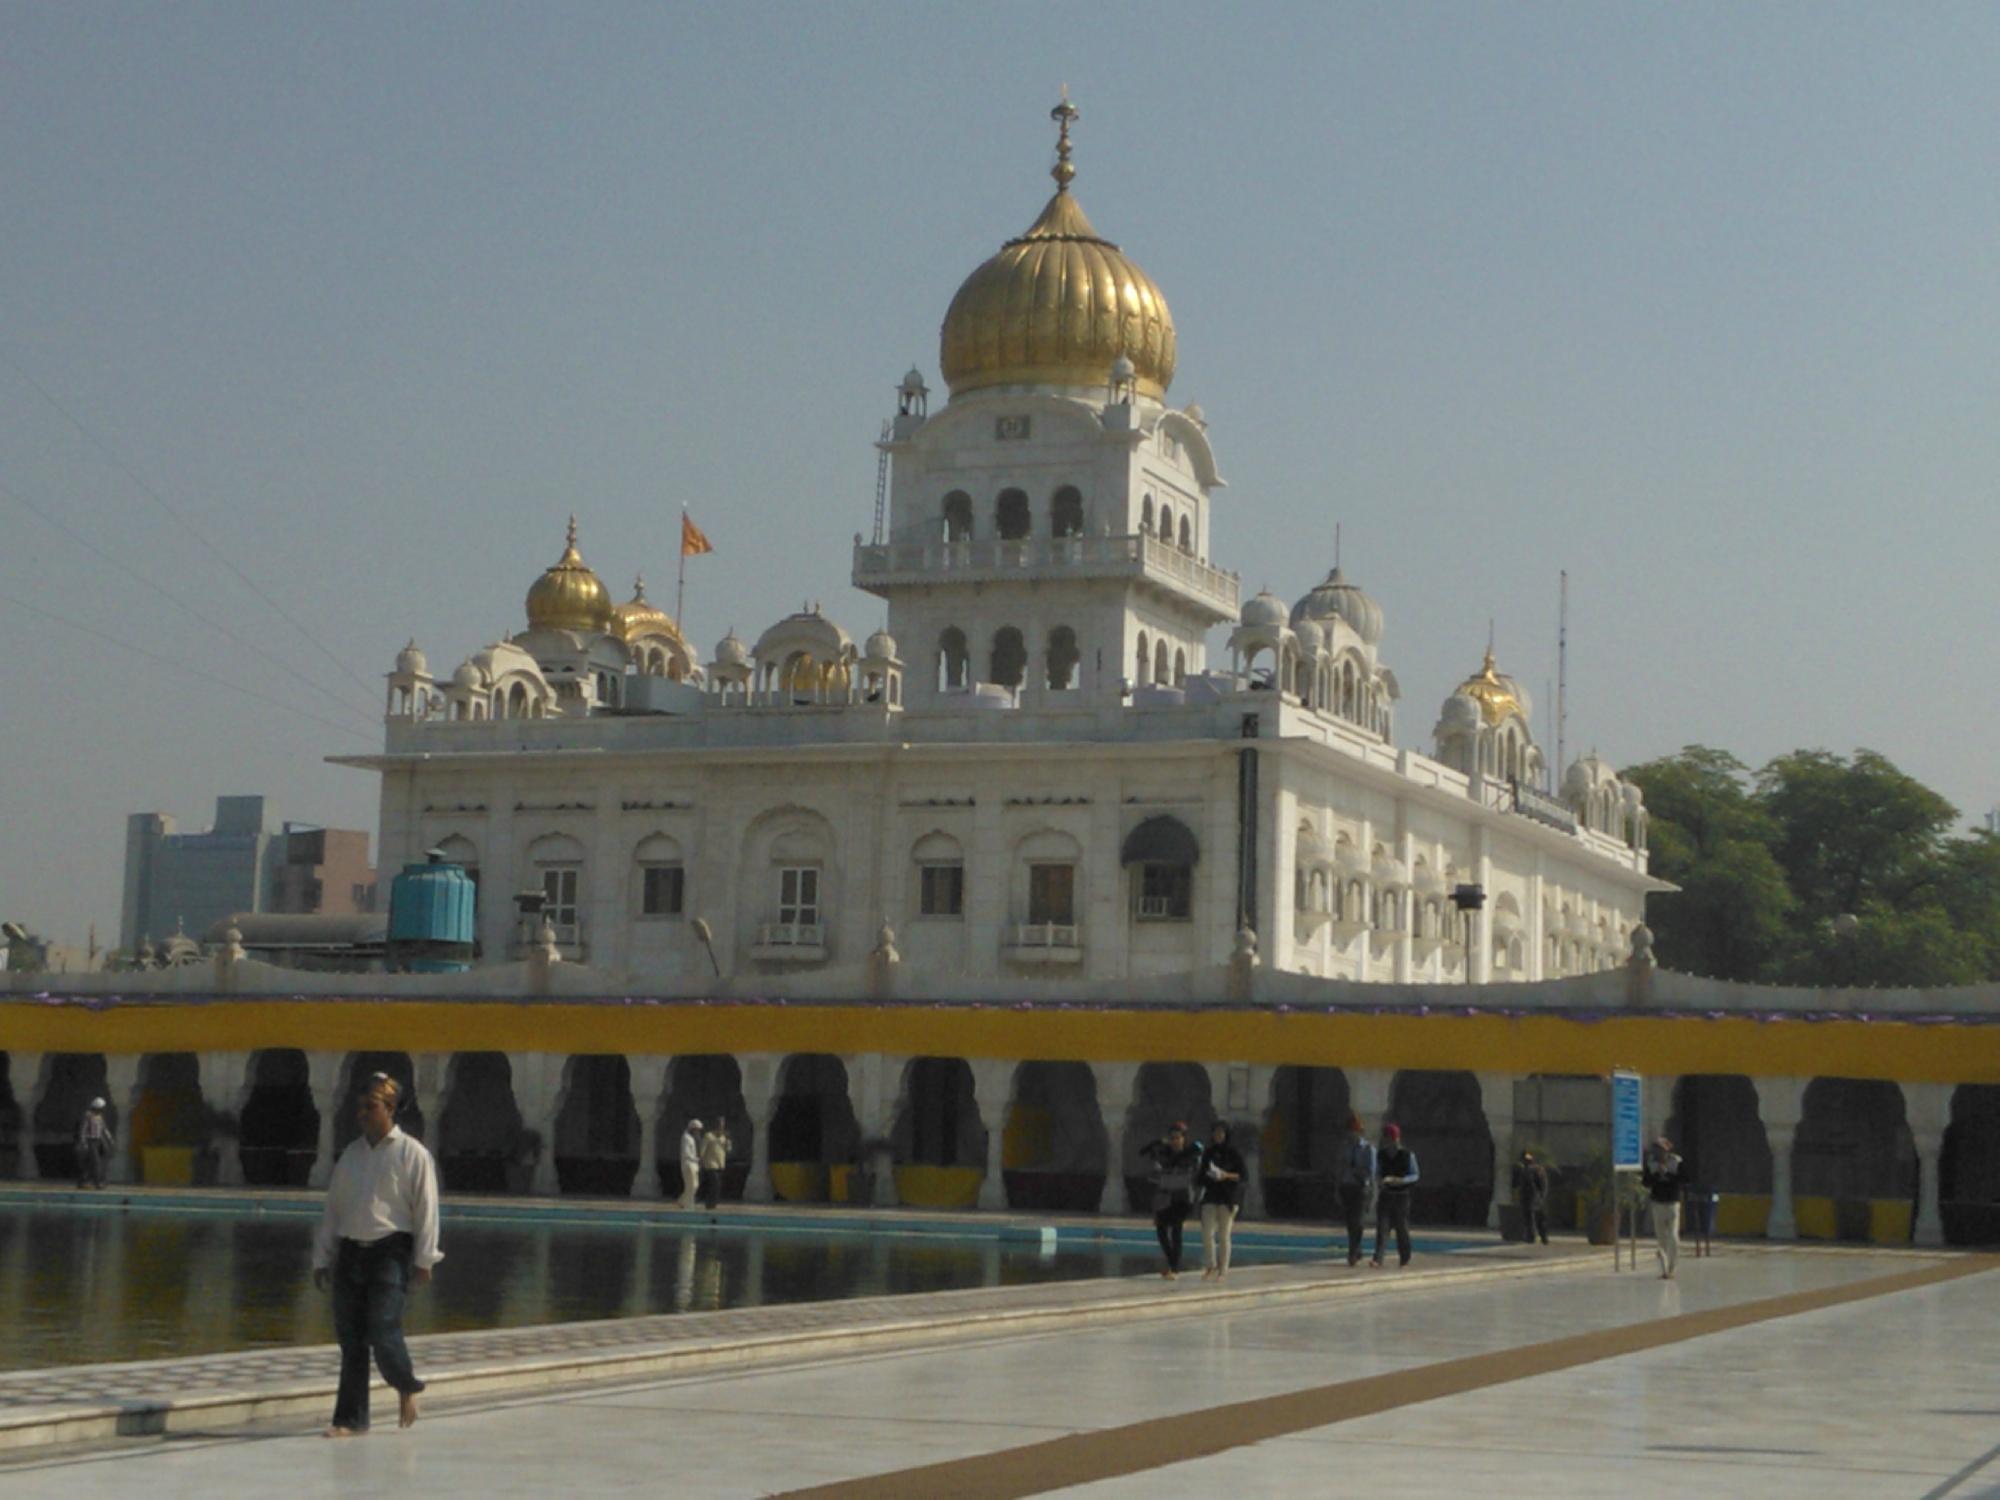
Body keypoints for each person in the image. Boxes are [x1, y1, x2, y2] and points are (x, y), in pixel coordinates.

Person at [312, 1073, 441, 1437]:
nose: (362, 1114)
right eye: (360, 1107)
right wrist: (322, 1258)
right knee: (351, 1340)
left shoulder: (411, 1154)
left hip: (390, 1252)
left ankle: (407, 1384)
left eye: (370, 1107)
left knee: (383, 1330)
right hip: (352, 1252)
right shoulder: (352, 1156)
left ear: (389, 1109)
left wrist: (424, 1258)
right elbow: (333, 1210)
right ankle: (349, 1419)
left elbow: (426, 1208)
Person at [1140, 1121, 1201, 1279]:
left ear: (1183, 1138)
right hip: (1166, 1195)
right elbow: (1145, 1154)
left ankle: (1174, 1269)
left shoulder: (1190, 1153)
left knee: (1176, 1229)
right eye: (1172, 1138)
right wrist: (1158, 1144)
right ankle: (1172, 1263)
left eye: (1178, 1137)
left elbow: (1198, 1157)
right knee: (1161, 1230)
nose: (1175, 1141)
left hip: (1182, 1197)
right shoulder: (1165, 1152)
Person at [1198, 1120, 1247, 1280]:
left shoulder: (1233, 1153)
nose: (1218, 1136)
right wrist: (1209, 1176)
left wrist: (1225, 1175)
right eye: (1215, 1133)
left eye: (1221, 1133)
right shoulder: (1208, 1153)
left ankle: (1223, 1270)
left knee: (1224, 1235)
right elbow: (1201, 1175)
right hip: (1211, 1195)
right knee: (1207, 1233)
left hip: (1228, 1197)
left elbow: (1243, 1175)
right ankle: (1210, 1266)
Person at [1371, 1123, 1419, 1268]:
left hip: (1401, 1196)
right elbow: (1377, 1171)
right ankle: (1378, 1258)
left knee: (1401, 1228)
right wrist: (1379, 1180)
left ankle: (1405, 1256)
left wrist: (1400, 1180)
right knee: (1382, 1228)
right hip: (1386, 1194)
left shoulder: (1407, 1155)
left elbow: (1415, 1175)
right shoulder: (1382, 1155)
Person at [1641, 1136, 1686, 1279]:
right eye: (1656, 1149)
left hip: (1672, 1202)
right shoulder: (1651, 1164)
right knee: (1661, 1238)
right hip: (1658, 1202)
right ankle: (1664, 1269)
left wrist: (1667, 1173)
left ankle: (1673, 1265)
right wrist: (1656, 1175)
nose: (1658, 1152)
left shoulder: (1676, 1161)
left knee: (1673, 1235)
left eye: (1661, 1149)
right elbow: (1646, 1182)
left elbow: (1684, 1179)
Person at [1334, 1113, 1375, 1267]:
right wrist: (1337, 1188)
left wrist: (1357, 1173)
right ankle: (1356, 1249)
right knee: (1350, 1221)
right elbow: (1340, 1168)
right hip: (1346, 1187)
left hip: (1360, 1188)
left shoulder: (1368, 1149)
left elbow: (1370, 1171)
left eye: (1353, 1131)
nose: (1351, 1134)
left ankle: (1353, 1251)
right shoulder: (1345, 1147)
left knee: (1357, 1221)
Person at [1513, 1149, 1551, 1245]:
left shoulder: (1534, 1170)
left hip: (1532, 1198)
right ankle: (1539, 1237)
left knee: (1533, 1219)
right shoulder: (1528, 1170)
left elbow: (1542, 1185)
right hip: (1532, 1198)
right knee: (1535, 1219)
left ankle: (1536, 1237)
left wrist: (1541, 1195)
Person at [75, 1097, 114, 1189]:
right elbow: (83, 1129)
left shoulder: (99, 1116)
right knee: (95, 1162)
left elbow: (104, 1129)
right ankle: (97, 1182)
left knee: (94, 1162)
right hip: (90, 1141)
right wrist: (83, 1141)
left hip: (98, 1140)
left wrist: (110, 1138)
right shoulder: (88, 1115)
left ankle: (87, 1181)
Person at [697, 1119, 731, 1210]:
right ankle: (709, 1203)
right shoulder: (708, 1136)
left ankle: (713, 1203)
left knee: (717, 1186)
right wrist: (701, 1162)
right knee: (714, 1184)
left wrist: (727, 1141)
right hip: (711, 1165)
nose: (721, 1127)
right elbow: (702, 1150)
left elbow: (728, 1150)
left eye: (722, 1125)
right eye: (719, 1124)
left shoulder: (723, 1138)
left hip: (720, 1165)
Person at [677, 1118, 703, 1209]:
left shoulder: (692, 1138)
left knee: (695, 1185)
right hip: (688, 1164)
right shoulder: (686, 1138)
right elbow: (687, 1154)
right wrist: (697, 1159)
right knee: (691, 1186)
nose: (698, 1132)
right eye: (697, 1130)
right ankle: (689, 1204)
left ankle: (682, 1201)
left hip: (694, 1165)